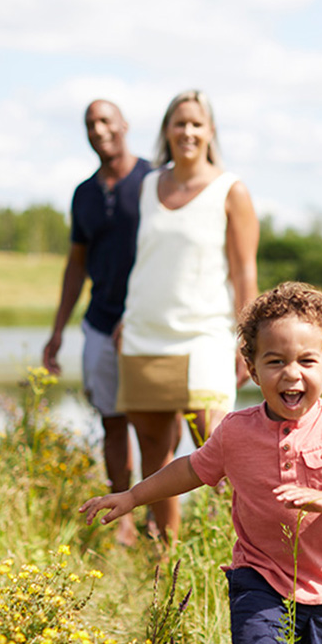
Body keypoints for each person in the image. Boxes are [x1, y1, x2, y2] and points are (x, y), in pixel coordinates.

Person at [81, 282, 322, 644]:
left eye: (306, 361)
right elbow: (189, 470)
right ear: (252, 370)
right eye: (275, 361)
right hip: (260, 576)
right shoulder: (235, 431)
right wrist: (132, 496)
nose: (291, 374)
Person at [116, 89, 260, 544]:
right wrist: (125, 316)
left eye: (197, 123)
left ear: (210, 131)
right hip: (144, 335)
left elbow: (244, 271)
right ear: (166, 131)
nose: (188, 132)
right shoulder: (146, 185)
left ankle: (242, 550)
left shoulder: (230, 190)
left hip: (206, 336)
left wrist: (248, 338)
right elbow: (145, 258)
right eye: (179, 123)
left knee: (218, 450)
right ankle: (166, 560)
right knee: (154, 456)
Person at [43, 99, 151, 547]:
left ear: (124, 124)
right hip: (99, 322)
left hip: (148, 323)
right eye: (91, 123)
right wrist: (56, 332)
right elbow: (76, 265)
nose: (99, 129)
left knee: (154, 422)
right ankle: (122, 516)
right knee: (112, 420)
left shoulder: (154, 180)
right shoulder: (84, 193)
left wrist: (143, 313)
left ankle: (161, 519)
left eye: (107, 120)